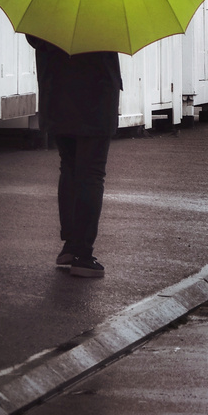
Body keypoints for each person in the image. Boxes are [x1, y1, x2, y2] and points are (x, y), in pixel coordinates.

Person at [28, 34, 123, 278]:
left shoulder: (48, 0)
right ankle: (82, 253)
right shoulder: (109, 0)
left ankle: (71, 246)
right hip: (97, 92)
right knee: (91, 172)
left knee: (69, 167)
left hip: (57, 89)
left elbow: (34, 38)